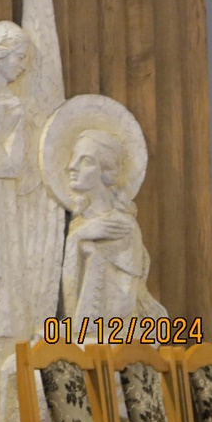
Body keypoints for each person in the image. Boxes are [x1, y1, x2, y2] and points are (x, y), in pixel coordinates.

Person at [61, 128, 167, 323]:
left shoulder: (123, 227)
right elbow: (67, 300)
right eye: (74, 158)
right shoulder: (77, 225)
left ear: (105, 171)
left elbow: (122, 301)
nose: (72, 167)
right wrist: (78, 237)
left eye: (86, 161)